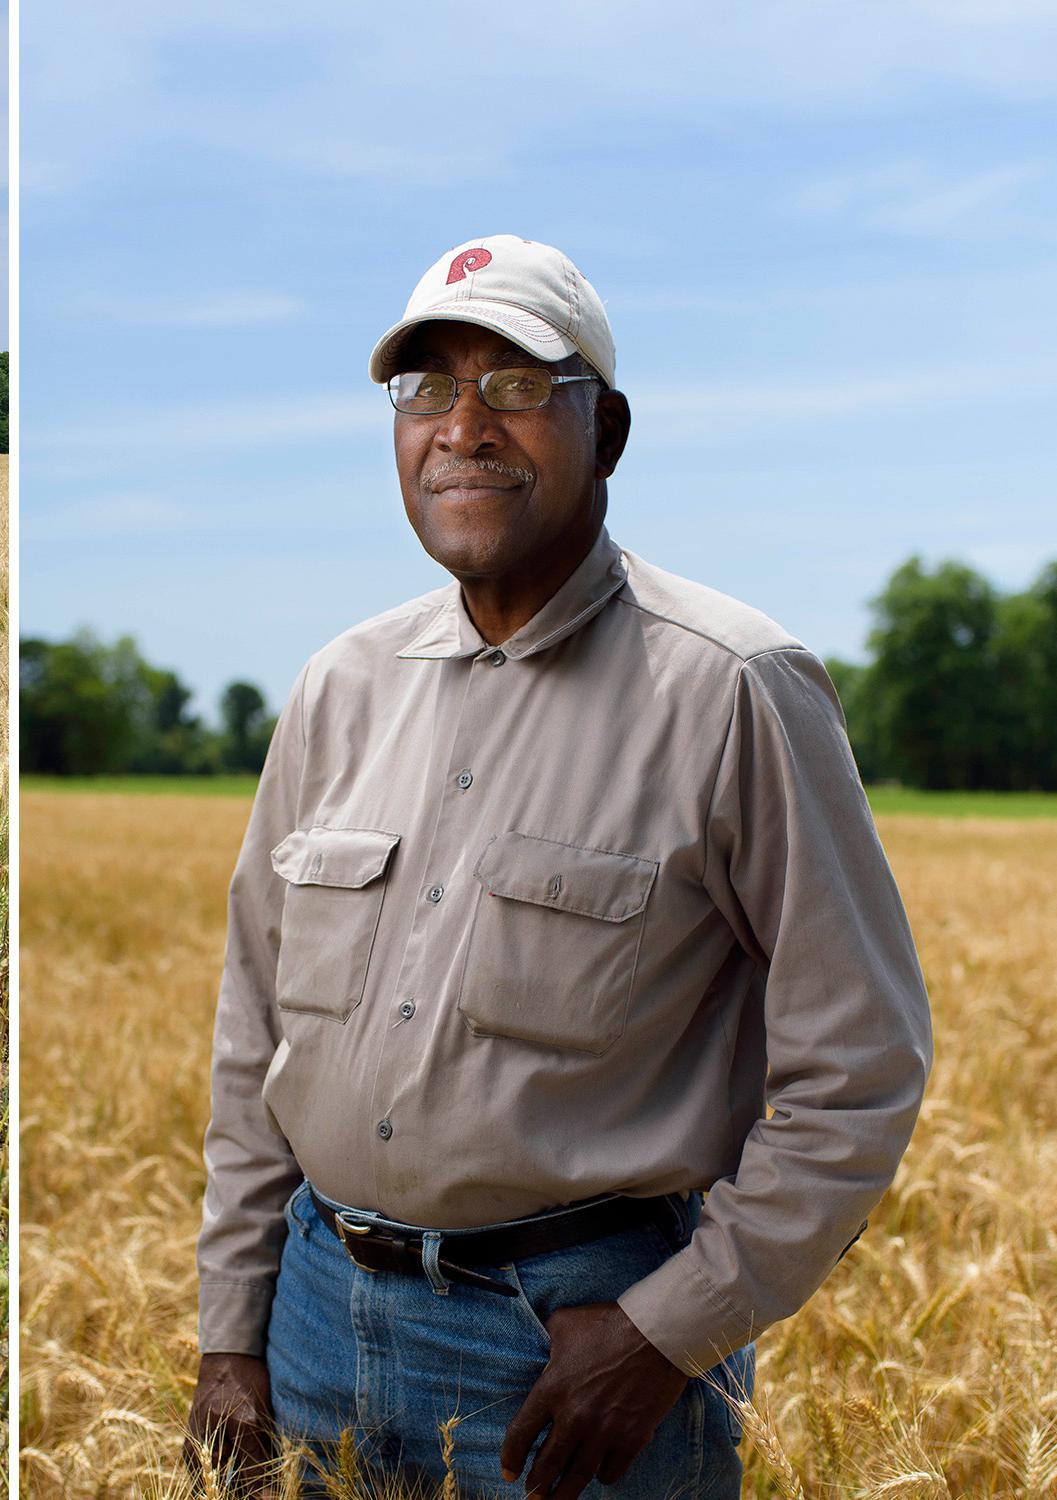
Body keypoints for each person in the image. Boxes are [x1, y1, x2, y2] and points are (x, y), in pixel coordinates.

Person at [184, 234, 933, 1499]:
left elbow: (860, 1071)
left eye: (520, 386)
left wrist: (665, 1331)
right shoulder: (336, 689)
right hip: (311, 1325)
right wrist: (228, 1337)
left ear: (611, 430)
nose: (462, 426)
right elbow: (255, 1036)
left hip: (568, 1361)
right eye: (426, 389)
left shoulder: (735, 689)